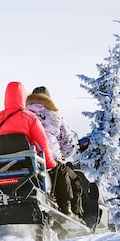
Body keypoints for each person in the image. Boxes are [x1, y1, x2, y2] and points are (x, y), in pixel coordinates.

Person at [26, 86, 83, 217]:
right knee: (74, 179)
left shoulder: (23, 115)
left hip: (26, 158)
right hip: (49, 158)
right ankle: (72, 212)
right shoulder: (54, 116)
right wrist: (68, 152)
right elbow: (67, 144)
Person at [0, 81, 56, 171]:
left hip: (2, 165)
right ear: (24, 97)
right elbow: (43, 143)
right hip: (28, 164)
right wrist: (50, 163)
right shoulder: (30, 117)